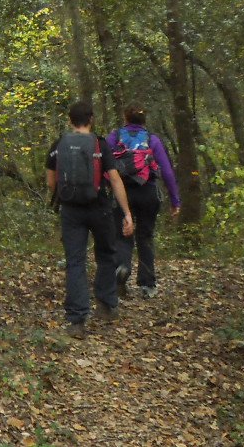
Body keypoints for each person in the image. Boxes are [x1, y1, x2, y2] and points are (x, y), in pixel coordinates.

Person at [46, 100, 134, 339]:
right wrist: (126, 213)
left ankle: (77, 321)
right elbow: (115, 180)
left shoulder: (58, 145)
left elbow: (51, 183)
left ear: (70, 120)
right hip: (100, 208)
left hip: (70, 210)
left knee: (75, 261)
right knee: (106, 254)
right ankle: (105, 305)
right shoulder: (100, 144)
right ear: (91, 119)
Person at [106, 104, 181, 298]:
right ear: (144, 120)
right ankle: (148, 285)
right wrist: (175, 200)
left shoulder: (115, 137)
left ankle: (122, 267)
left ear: (125, 118)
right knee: (145, 236)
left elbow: (102, 162)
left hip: (123, 192)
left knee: (122, 235)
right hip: (148, 192)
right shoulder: (152, 140)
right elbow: (167, 171)